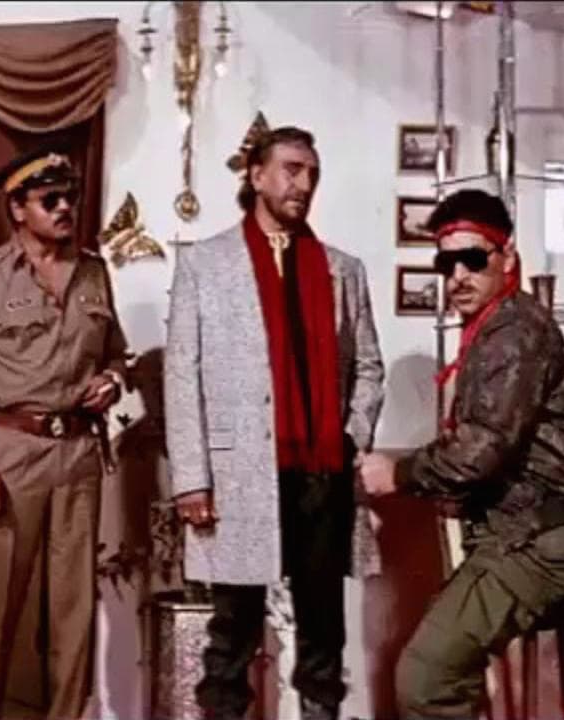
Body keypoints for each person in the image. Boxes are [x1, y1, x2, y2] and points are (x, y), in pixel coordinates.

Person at [358, 189, 564, 719]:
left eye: (474, 259)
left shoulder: (513, 334)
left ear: (507, 257)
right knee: (447, 675)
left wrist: (398, 472)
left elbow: (480, 451)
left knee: (425, 678)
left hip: (534, 543)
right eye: (446, 264)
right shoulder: (494, 328)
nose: (458, 276)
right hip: (517, 537)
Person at [164, 126, 385, 720]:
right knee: (232, 630)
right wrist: (192, 479)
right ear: (257, 176)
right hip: (239, 472)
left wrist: (351, 437)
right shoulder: (206, 264)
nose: (303, 184)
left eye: (312, 173)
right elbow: (182, 374)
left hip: (322, 471)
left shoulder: (342, 269)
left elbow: (368, 366)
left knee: (323, 629)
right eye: (291, 169)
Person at [0, 146, 128, 720]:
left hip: (78, 452)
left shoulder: (94, 271)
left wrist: (113, 380)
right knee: (0, 601)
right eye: (50, 199)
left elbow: (114, 353)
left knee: (73, 605)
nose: (65, 207)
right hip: (11, 451)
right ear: (18, 208)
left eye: (70, 197)